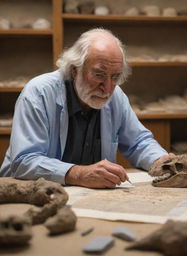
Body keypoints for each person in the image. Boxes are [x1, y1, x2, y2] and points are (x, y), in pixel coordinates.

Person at [0, 28, 171, 188]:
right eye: (99, 75)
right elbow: (24, 161)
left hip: (85, 196)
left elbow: (138, 142)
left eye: (115, 77)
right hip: (23, 194)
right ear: (75, 70)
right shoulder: (39, 93)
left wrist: (161, 161)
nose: (108, 88)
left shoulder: (116, 96)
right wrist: (78, 173)